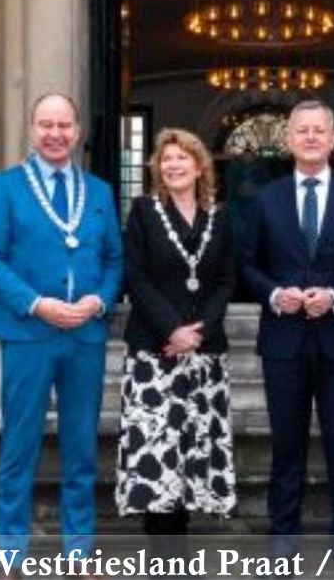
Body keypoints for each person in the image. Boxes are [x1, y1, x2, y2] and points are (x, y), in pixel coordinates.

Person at [0, 92, 124, 556]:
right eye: (46, 125)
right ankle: (10, 553)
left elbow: (115, 261)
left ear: (77, 132)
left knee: (81, 451)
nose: (55, 134)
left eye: (64, 126)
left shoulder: (98, 191)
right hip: (28, 333)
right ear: (32, 130)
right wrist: (37, 304)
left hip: (85, 334)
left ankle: (78, 551)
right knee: (20, 447)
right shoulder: (5, 186)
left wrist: (99, 300)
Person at [240, 100, 334, 542]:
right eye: (301, 130)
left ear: (333, 138)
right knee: (286, 448)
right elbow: (247, 264)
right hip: (283, 343)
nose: (309, 137)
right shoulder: (265, 199)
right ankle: (283, 537)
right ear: (288, 140)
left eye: (318, 130)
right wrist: (273, 294)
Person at [115, 129, 238, 556]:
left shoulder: (219, 216)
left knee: (191, 450)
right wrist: (173, 329)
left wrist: (198, 330)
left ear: (200, 165)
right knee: (158, 454)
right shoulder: (144, 211)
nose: (173, 165)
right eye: (166, 159)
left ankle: (181, 551)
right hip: (155, 352)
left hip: (204, 354)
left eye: (182, 158)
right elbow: (135, 276)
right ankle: (163, 556)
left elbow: (226, 280)